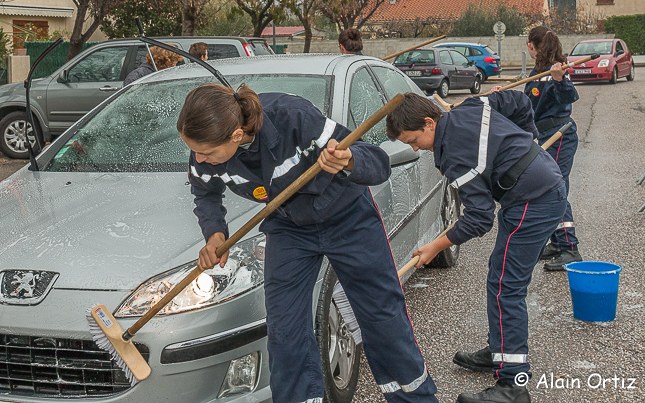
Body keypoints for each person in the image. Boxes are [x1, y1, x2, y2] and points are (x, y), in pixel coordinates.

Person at [179, 84, 438, 403]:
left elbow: (378, 164)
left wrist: (348, 160)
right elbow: (205, 193)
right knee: (284, 329)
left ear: (235, 135)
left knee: (381, 314)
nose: (199, 158)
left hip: (348, 215)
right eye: (195, 150)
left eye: (206, 152)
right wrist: (215, 235)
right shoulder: (205, 148)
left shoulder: (295, 119)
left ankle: (416, 397)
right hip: (289, 226)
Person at [387, 92, 567, 403]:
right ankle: (502, 350)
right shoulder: (468, 107)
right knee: (499, 279)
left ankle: (512, 385)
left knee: (505, 288)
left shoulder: (455, 155)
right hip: (535, 190)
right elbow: (519, 103)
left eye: (414, 140)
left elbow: (480, 218)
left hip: (533, 201)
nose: (415, 148)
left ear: (429, 123)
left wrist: (436, 246)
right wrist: (529, 142)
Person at [521, 26, 582, 270]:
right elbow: (528, 105)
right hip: (545, 133)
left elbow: (569, 96)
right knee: (549, 188)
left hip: (560, 134)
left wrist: (559, 79)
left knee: (556, 188)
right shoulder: (538, 71)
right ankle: (557, 242)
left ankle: (570, 248)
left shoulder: (557, 70)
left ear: (532, 46)